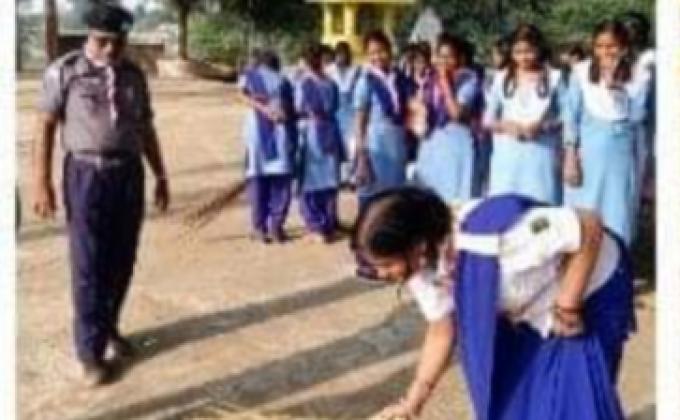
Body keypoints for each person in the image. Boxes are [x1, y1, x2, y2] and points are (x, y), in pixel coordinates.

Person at [353, 187, 634, 420]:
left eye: (386, 264)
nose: (382, 274)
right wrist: (412, 402)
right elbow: (442, 329)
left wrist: (567, 306)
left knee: (576, 401)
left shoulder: (503, 235)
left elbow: (587, 225)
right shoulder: (424, 267)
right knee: (519, 401)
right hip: (532, 310)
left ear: (417, 246)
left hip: (590, 289)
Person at [32, 3, 170, 386]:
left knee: (122, 259)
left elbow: (145, 128)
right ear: (89, 36)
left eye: (118, 42)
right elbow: (44, 126)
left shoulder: (134, 75)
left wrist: (160, 174)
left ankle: (108, 327)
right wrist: (41, 181)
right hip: (86, 175)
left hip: (128, 174)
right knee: (89, 263)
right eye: (102, 41)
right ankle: (90, 354)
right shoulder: (65, 71)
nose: (110, 49)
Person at [562, 20, 651, 246]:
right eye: (600, 46)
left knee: (617, 210)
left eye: (611, 46)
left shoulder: (639, 75)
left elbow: (638, 116)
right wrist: (570, 158)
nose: (605, 52)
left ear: (624, 47)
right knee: (584, 211)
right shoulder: (581, 72)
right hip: (588, 155)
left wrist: (620, 89)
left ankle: (617, 257)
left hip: (620, 155)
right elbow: (571, 117)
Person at [484, 24, 565, 204]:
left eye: (529, 51)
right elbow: (488, 119)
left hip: (541, 153)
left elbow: (566, 117)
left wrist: (543, 126)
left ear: (539, 49)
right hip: (508, 154)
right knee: (506, 206)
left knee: (540, 206)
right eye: (518, 52)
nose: (524, 57)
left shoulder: (554, 78)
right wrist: (506, 125)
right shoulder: (502, 78)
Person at [412, 33, 483, 202]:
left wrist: (445, 83)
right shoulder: (429, 80)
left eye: (449, 57)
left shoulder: (468, 80)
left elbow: (456, 113)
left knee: (454, 196)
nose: (443, 62)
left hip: (456, 145)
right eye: (440, 56)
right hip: (432, 144)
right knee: (429, 197)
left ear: (460, 59)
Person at [238, 50, 297, 243]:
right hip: (280, 133)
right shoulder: (284, 81)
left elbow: (241, 95)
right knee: (281, 181)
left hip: (257, 134)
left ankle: (259, 228)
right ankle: (276, 227)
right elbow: (291, 111)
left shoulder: (250, 76)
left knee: (257, 179)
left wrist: (262, 108)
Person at [353, 30, 414, 206]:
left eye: (381, 51)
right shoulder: (366, 81)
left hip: (397, 143)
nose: (377, 57)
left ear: (390, 51)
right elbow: (360, 121)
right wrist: (361, 156)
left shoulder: (400, 79)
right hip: (375, 145)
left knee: (395, 197)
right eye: (372, 53)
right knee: (373, 197)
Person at [295, 43, 344, 243]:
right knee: (330, 178)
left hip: (313, 132)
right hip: (331, 130)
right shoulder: (331, 83)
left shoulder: (304, 83)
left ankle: (316, 226)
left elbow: (299, 107)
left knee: (310, 180)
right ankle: (329, 224)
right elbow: (336, 106)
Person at [327, 41, 361, 187]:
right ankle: (339, 178)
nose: (341, 57)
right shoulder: (329, 71)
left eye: (344, 54)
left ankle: (352, 177)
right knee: (336, 147)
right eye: (339, 55)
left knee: (352, 147)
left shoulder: (356, 70)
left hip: (351, 112)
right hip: (335, 113)